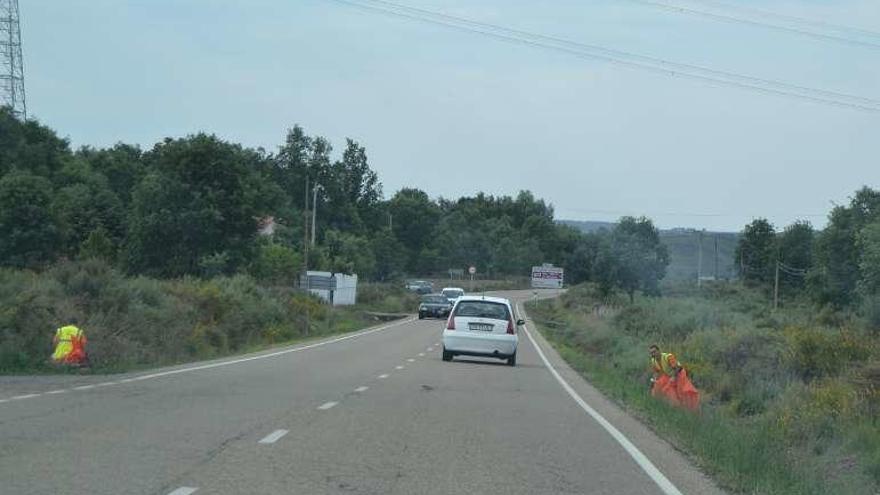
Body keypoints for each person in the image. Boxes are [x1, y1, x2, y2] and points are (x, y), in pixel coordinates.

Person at [649, 344, 699, 411]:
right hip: (669, 375)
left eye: (654, 352)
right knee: (662, 387)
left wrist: (673, 377)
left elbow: (677, 368)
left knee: (683, 391)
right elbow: (656, 371)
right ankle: (675, 406)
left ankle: (690, 408)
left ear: (659, 351)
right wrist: (654, 379)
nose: (653, 354)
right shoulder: (653, 360)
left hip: (679, 374)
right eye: (651, 353)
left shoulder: (668, 357)